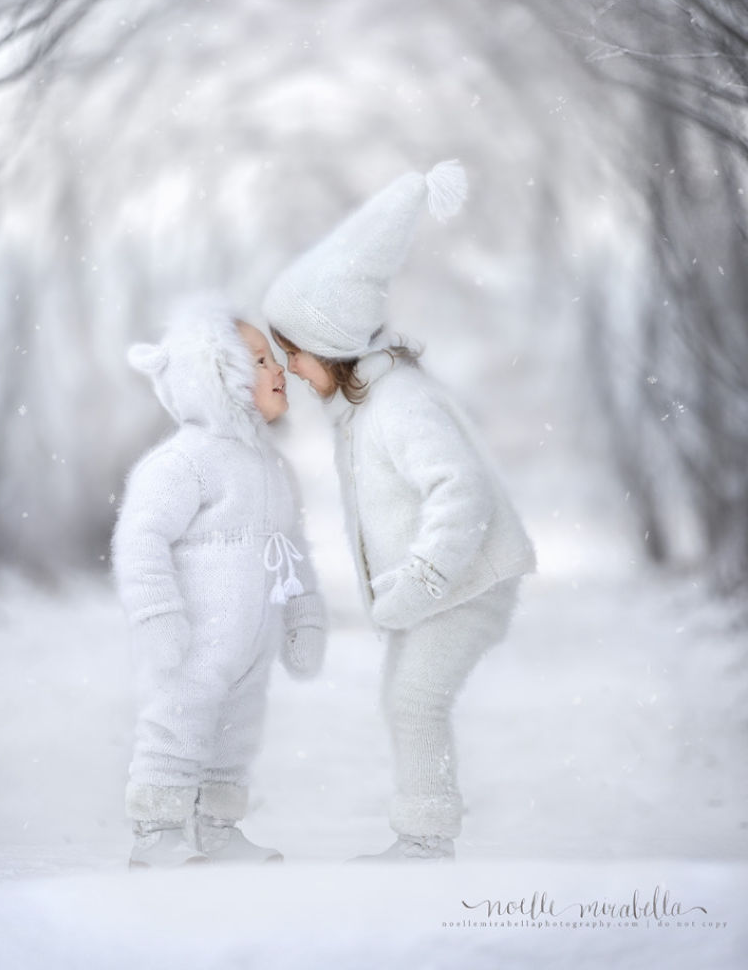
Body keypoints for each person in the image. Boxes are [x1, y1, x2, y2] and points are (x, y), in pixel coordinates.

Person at [262, 161, 536, 862]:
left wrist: (421, 580)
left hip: (468, 582)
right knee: (405, 702)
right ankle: (423, 835)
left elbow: (461, 490)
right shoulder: (367, 404)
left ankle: (426, 842)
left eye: (292, 353)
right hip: (445, 585)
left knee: (415, 702)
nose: (288, 368)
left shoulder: (399, 405)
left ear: (329, 346)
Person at [112, 294, 326, 868]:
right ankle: (158, 832)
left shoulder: (272, 467)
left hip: (251, 645)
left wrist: (303, 615)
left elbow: (291, 548)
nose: (278, 368)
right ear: (219, 378)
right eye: (259, 361)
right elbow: (141, 538)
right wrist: (157, 615)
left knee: (235, 734)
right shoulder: (182, 462)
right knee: (178, 723)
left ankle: (215, 828)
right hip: (195, 639)